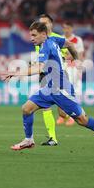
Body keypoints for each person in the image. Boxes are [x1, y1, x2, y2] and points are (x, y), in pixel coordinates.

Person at [1, 21, 94, 155]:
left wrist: (16, 73)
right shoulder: (53, 39)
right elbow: (69, 44)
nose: (31, 38)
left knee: (82, 120)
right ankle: (29, 140)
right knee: (26, 109)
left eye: (34, 35)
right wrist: (76, 59)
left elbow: (39, 67)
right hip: (50, 88)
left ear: (44, 34)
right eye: (31, 35)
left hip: (61, 90)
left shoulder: (46, 46)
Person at [36, 14, 67, 146]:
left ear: (51, 24)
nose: (42, 25)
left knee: (63, 111)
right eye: (40, 23)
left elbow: (68, 51)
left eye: (45, 23)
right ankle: (52, 138)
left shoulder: (57, 38)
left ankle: (72, 115)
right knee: (45, 107)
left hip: (56, 74)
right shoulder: (38, 37)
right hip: (44, 75)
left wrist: (66, 57)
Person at [56, 21, 85, 126]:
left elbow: (79, 55)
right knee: (60, 90)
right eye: (64, 28)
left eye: (68, 28)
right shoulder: (60, 39)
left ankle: (73, 116)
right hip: (63, 67)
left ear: (72, 28)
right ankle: (62, 115)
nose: (66, 30)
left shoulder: (78, 40)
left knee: (73, 92)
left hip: (73, 68)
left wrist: (79, 68)